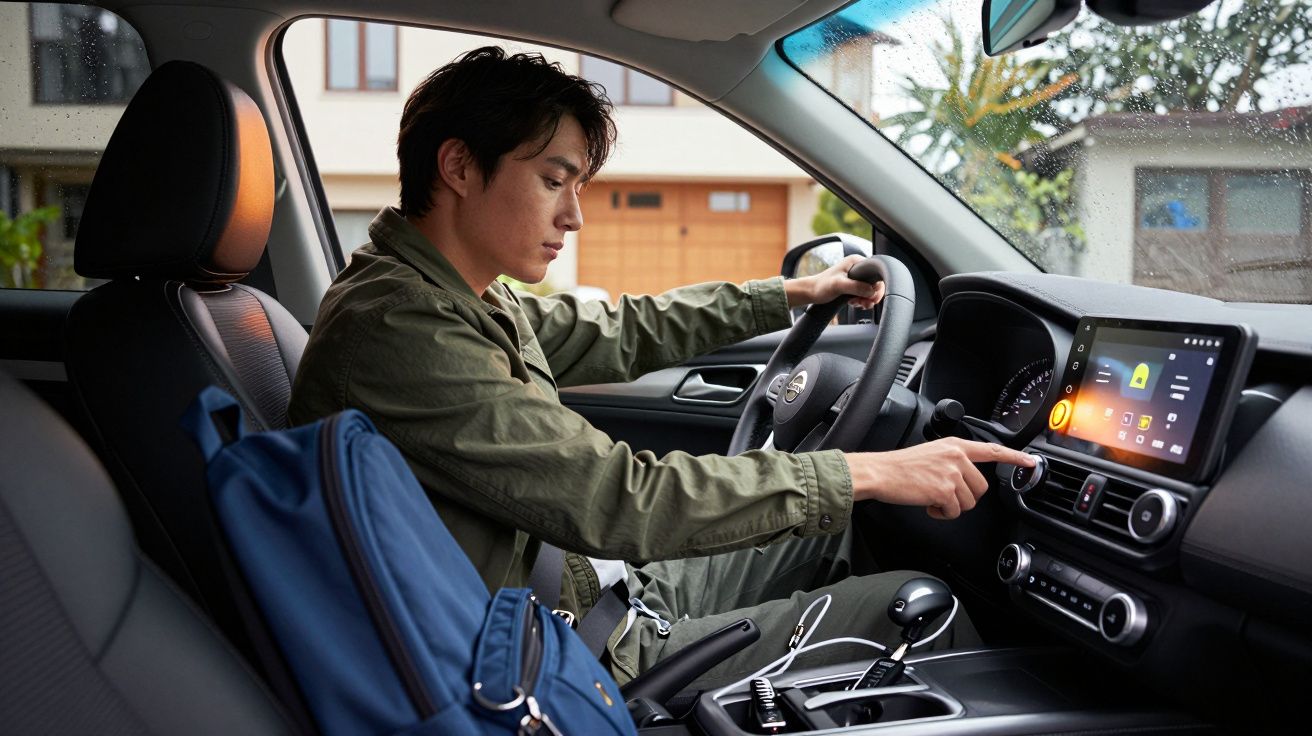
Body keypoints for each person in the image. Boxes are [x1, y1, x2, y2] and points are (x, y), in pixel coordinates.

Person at [289, 47, 1036, 687]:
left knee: (835, 528)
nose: (574, 216)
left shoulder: (451, 297)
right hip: (568, 658)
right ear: (457, 165)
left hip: (590, 590)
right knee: (914, 603)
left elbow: (622, 330)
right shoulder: (402, 328)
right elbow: (618, 498)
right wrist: (868, 471)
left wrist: (792, 294)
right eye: (554, 180)